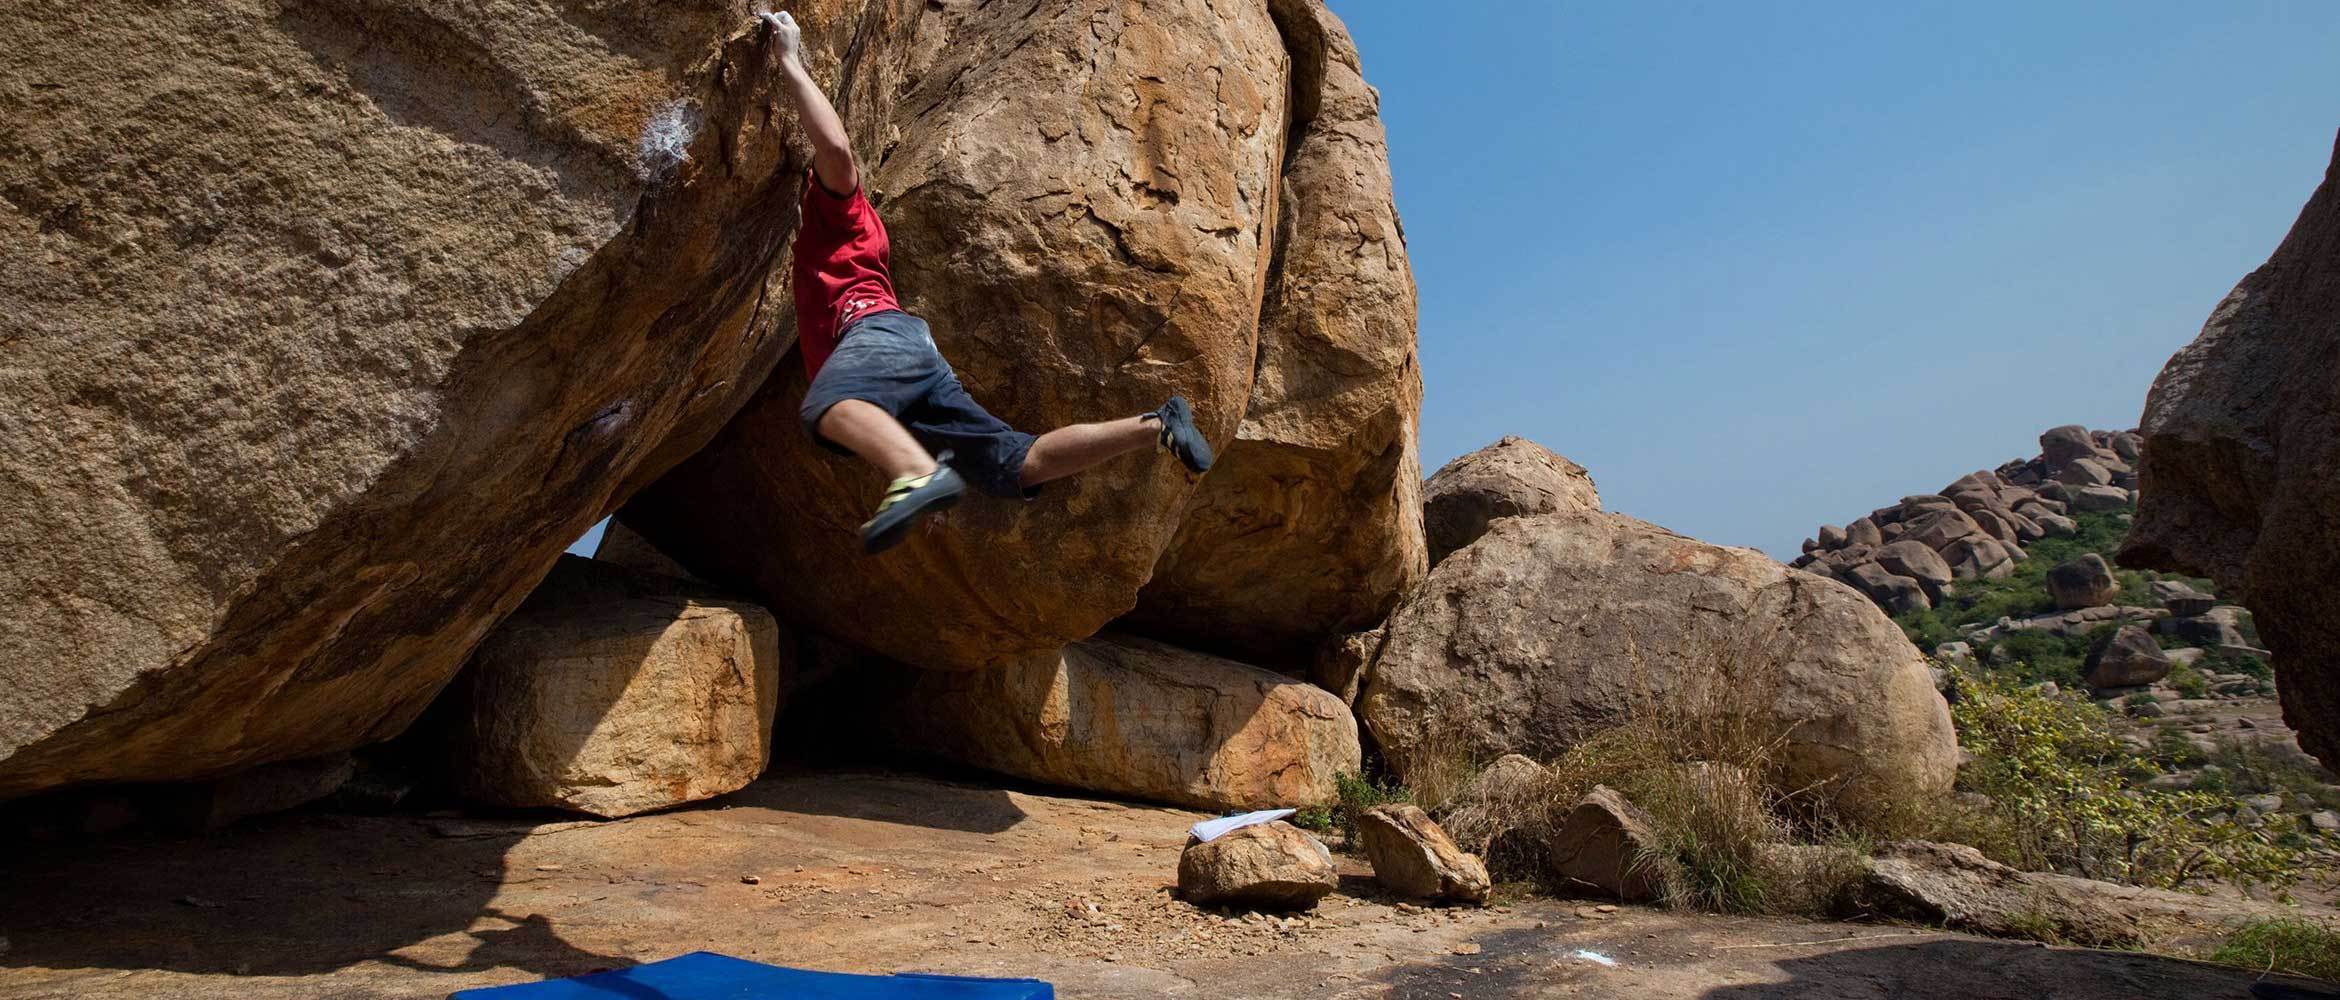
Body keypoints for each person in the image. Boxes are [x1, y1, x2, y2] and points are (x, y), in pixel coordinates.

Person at [761, 10, 1213, 555]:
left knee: (824, 407)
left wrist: (790, 57)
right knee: (1017, 464)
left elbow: (835, 151)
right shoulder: (851, 242)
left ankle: (915, 473)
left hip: (876, 333)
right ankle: (1156, 425)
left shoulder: (841, 213)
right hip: (908, 362)